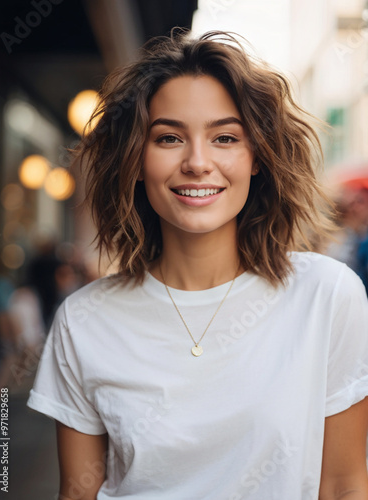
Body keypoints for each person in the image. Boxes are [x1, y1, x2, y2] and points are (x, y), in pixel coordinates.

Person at [27, 30, 368, 500]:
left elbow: (346, 486)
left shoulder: (327, 295)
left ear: (256, 158)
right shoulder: (84, 320)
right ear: (136, 161)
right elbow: (77, 493)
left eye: (225, 137)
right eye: (169, 138)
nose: (197, 162)